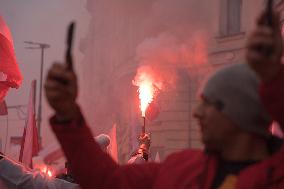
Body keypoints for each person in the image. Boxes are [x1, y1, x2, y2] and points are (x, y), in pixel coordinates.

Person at [45, 9, 284, 189]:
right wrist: (68, 116)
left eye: (210, 104)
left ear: (239, 112)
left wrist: (274, 79)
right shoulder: (183, 169)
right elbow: (108, 181)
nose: (198, 112)